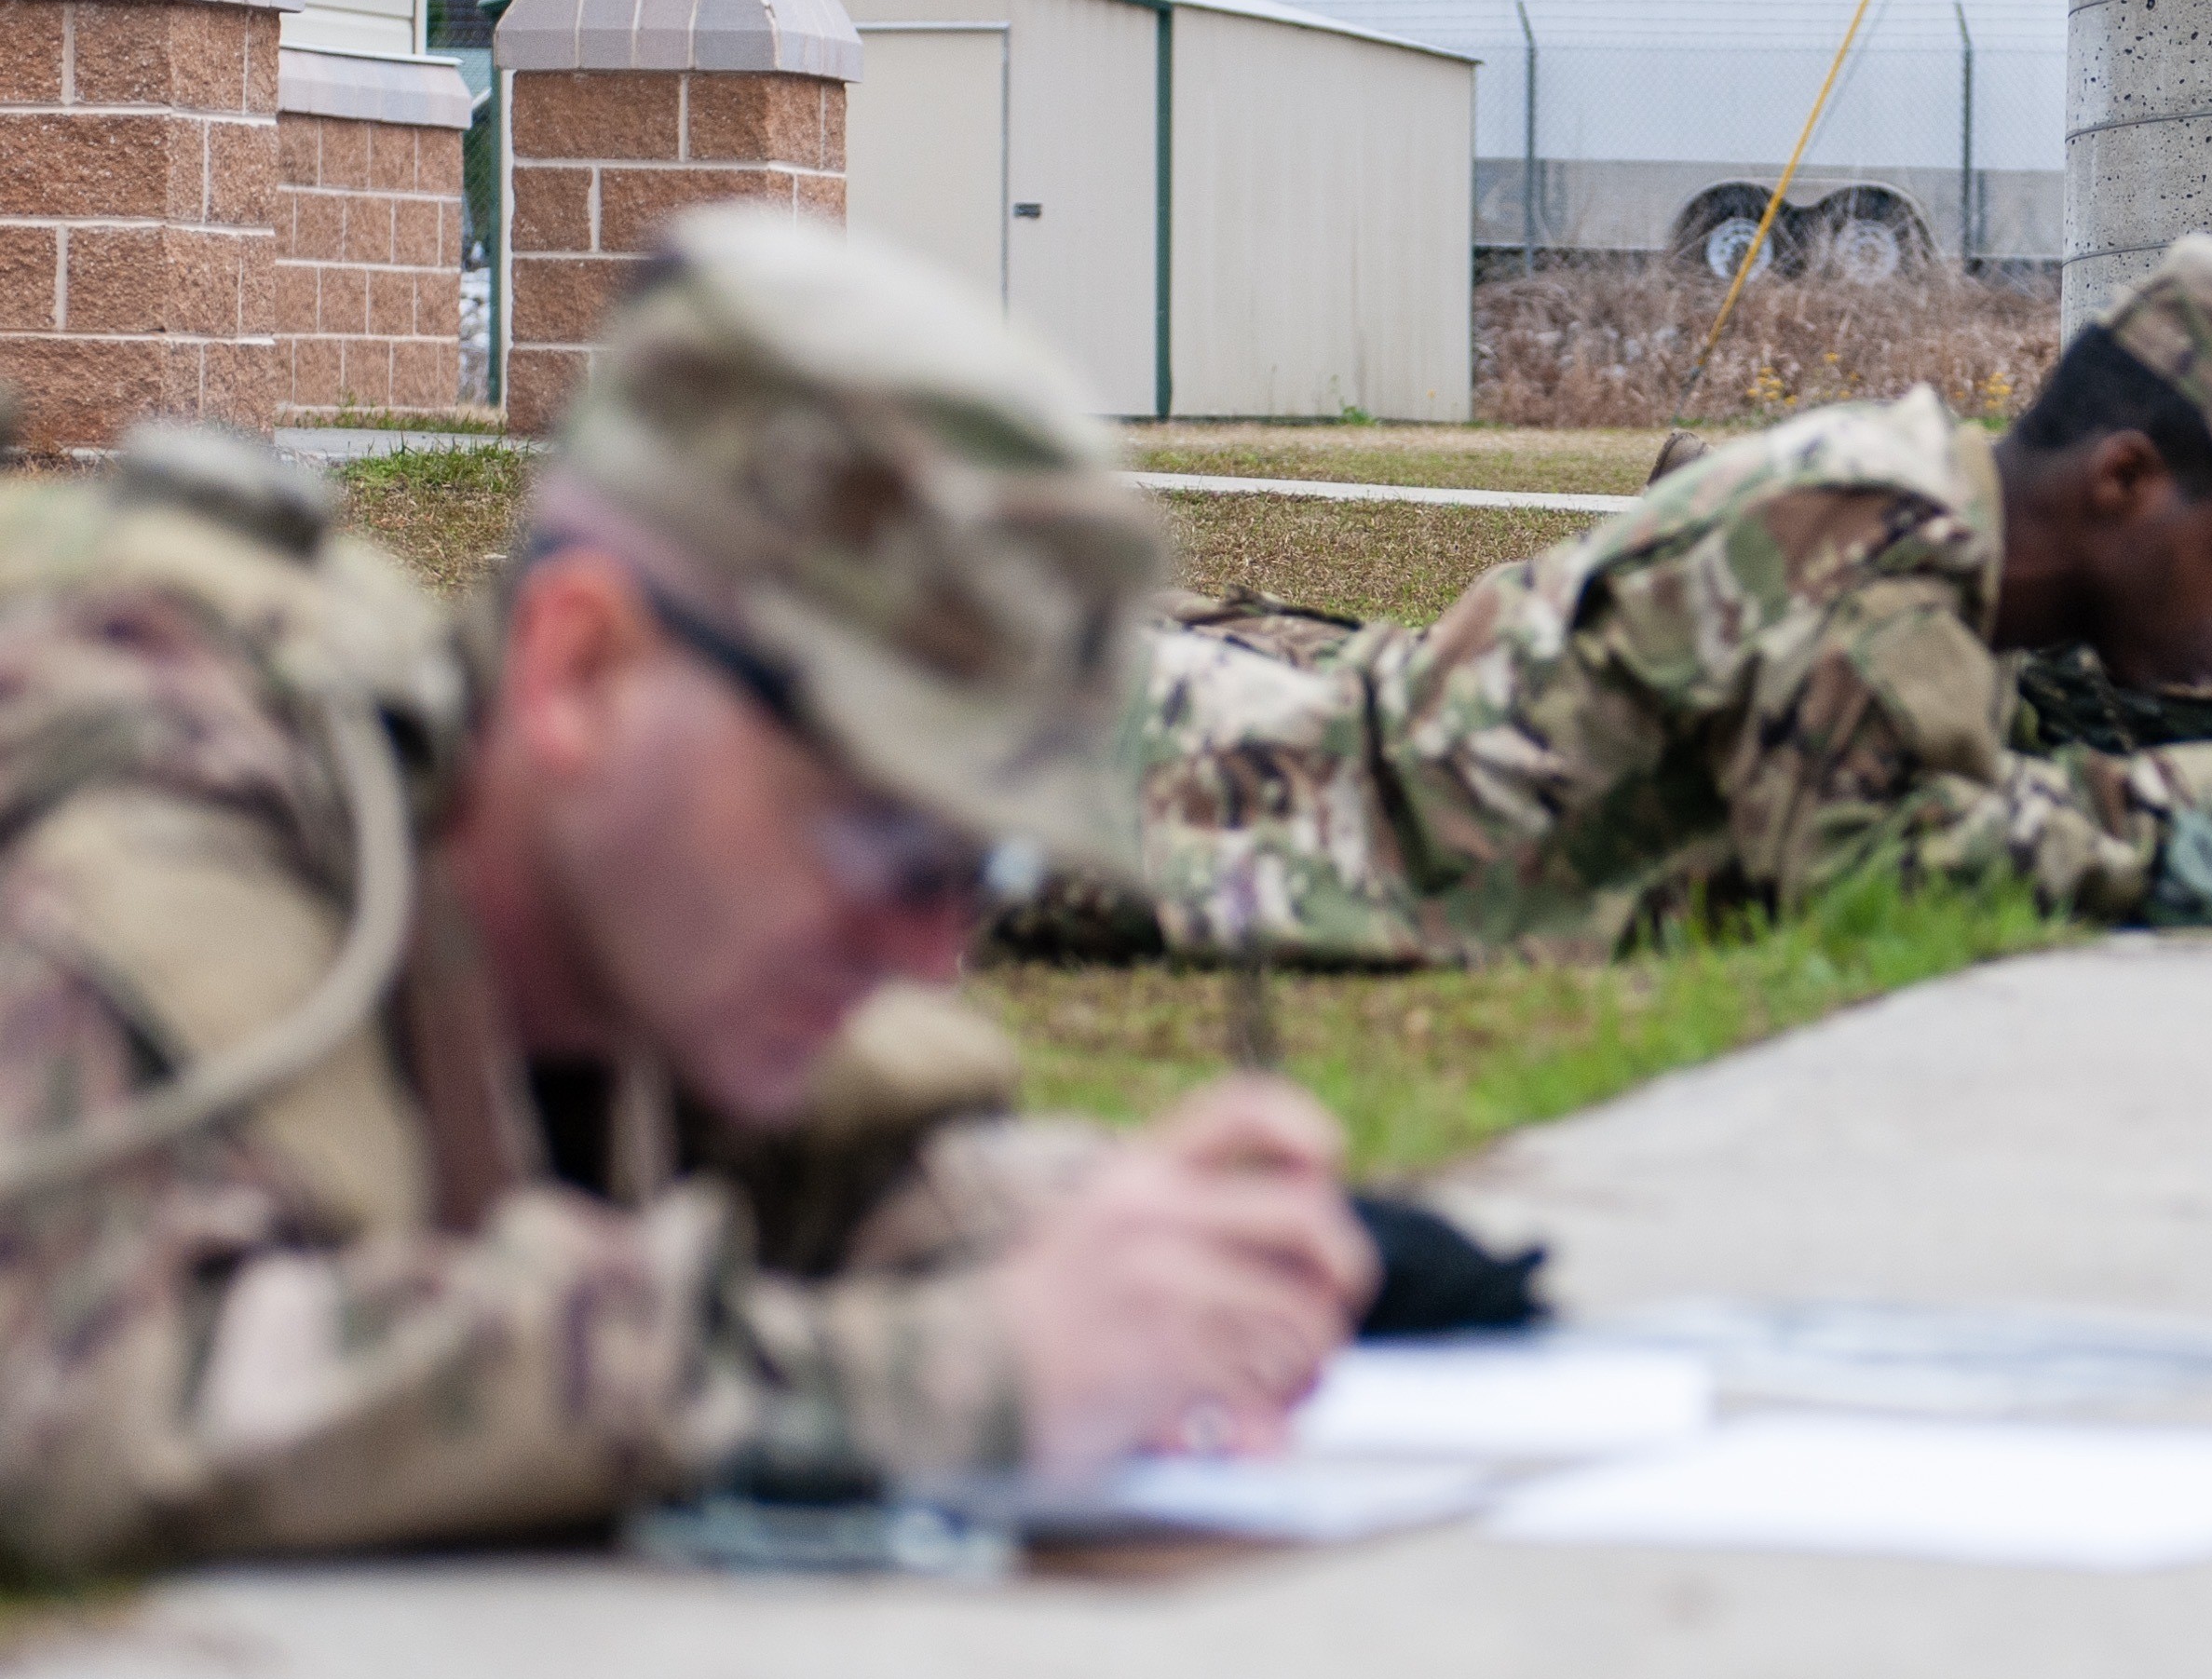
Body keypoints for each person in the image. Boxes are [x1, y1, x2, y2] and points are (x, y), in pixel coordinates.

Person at [0, 210, 1376, 1575]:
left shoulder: (584, 907)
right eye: (880, 838)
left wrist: (1130, 1249)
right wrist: (922, 1379)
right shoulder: (150, 798)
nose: (920, 948)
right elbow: (72, 1391)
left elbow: (832, 1173)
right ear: (580, 671)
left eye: (974, 866)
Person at [1122, 236, 2212, 964]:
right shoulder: (1878, 530)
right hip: (1200, 805)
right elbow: (1868, 868)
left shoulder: (1950, 541)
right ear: (2122, 478)